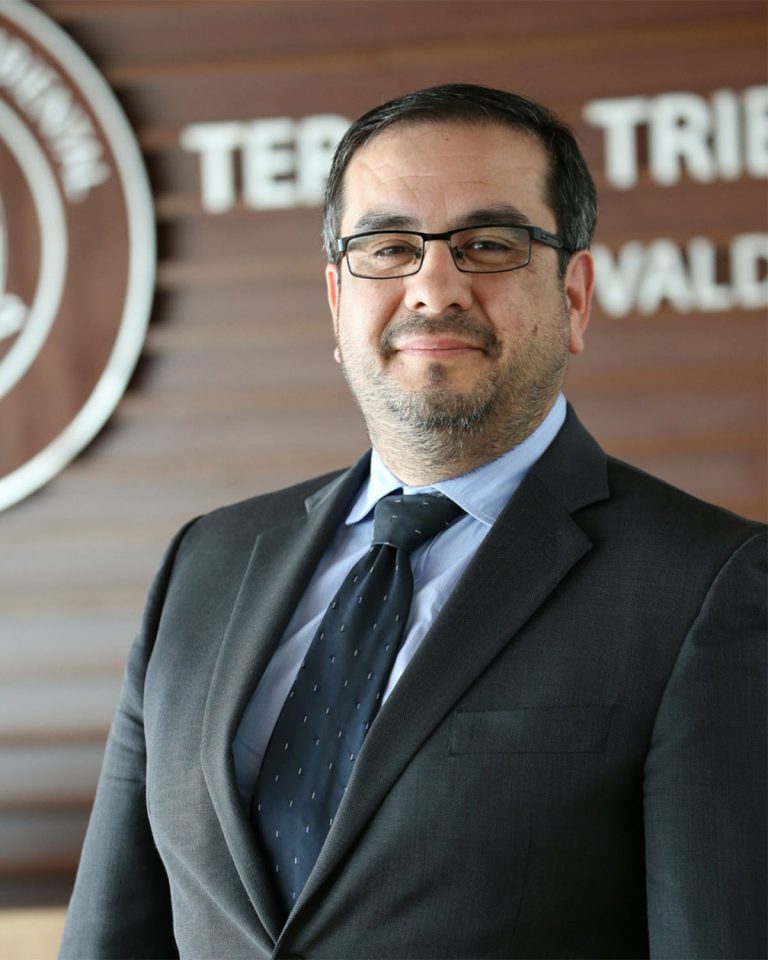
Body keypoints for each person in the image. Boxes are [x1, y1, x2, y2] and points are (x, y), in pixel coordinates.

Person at [59, 84, 766, 960]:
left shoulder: (709, 587)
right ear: (337, 301)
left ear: (575, 296)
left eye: (491, 244)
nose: (434, 287)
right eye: (389, 247)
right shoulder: (205, 564)